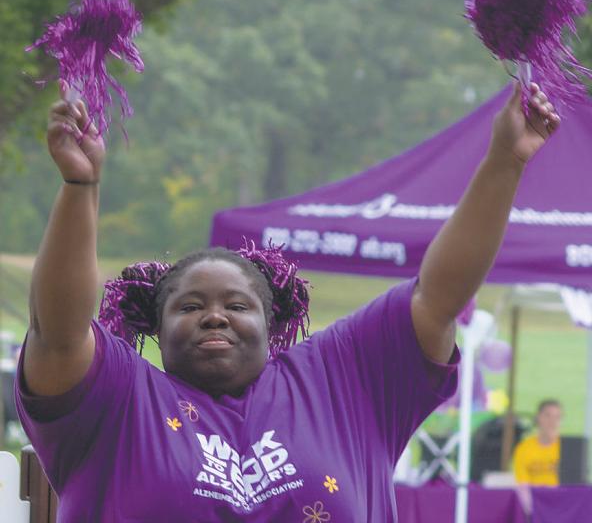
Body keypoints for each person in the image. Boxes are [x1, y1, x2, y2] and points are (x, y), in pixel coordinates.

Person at [16, 79, 560, 522]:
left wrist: (505, 162)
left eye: (237, 305)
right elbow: (58, 334)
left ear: (272, 321)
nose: (214, 316)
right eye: (189, 307)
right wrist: (80, 187)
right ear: (156, 328)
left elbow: (438, 299)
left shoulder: (341, 379)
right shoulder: (119, 400)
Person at [513, 399, 563, 486]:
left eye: (557, 417)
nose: (552, 421)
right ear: (538, 417)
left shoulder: (568, 448)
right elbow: (523, 483)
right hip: (534, 494)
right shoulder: (524, 448)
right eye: (547, 416)